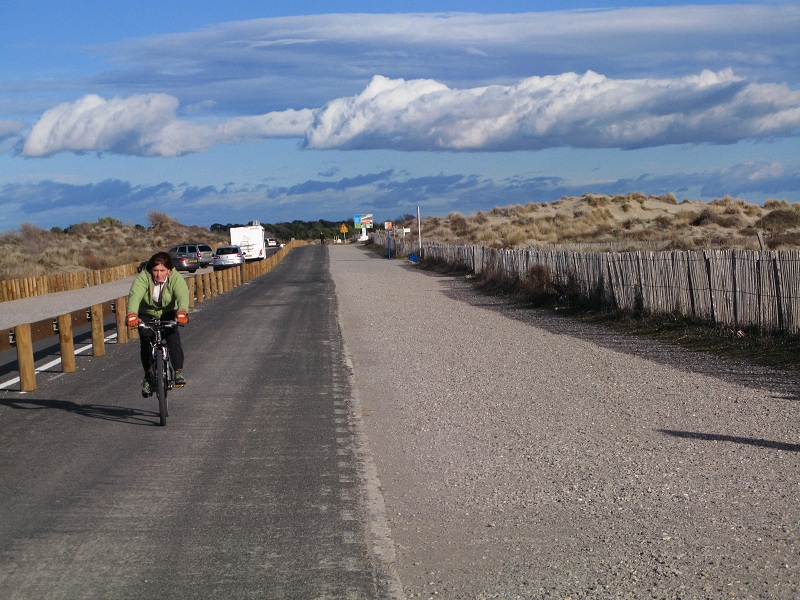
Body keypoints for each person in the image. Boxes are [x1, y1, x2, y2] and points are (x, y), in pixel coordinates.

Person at [126, 252, 190, 396]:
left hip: (167, 312)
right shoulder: (144, 277)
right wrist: (132, 314)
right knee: (146, 340)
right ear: (150, 270)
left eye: (162, 270)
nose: (159, 274)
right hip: (146, 313)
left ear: (169, 270)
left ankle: (178, 372)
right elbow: (135, 295)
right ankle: (148, 377)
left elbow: (182, 294)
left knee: (173, 337)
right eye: (155, 270)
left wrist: (182, 311)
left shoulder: (175, 277)